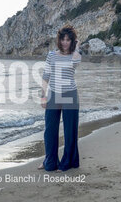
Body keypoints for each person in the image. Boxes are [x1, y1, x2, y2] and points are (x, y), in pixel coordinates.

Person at [37, 25, 82, 172]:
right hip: (53, 94)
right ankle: (49, 161)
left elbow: (75, 61)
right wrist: (43, 96)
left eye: (68, 39)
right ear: (59, 40)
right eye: (62, 39)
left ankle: (67, 163)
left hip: (70, 94)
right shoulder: (51, 55)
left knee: (70, 131)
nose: (65, 42)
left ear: (72, 41)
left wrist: (77, 46)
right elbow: (46, 75)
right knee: (50, 130)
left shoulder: (76, 55)